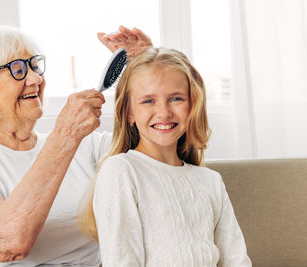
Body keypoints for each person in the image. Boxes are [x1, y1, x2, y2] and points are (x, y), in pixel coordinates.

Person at [0, 25, 152, 267]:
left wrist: (149, 68)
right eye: (17, 69)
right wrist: (65, 136)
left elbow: (162, 150)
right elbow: (6, 243)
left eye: (35, 66)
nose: (36, 79)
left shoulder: (86, 146)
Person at [78, 47, 252, 266]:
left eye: (176, 99)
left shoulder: (210, 181)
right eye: (148, 101)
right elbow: (122, 260)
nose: (164, 112)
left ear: (193, 105)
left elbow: (236, 260)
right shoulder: (121, 171)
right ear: (130, 112)